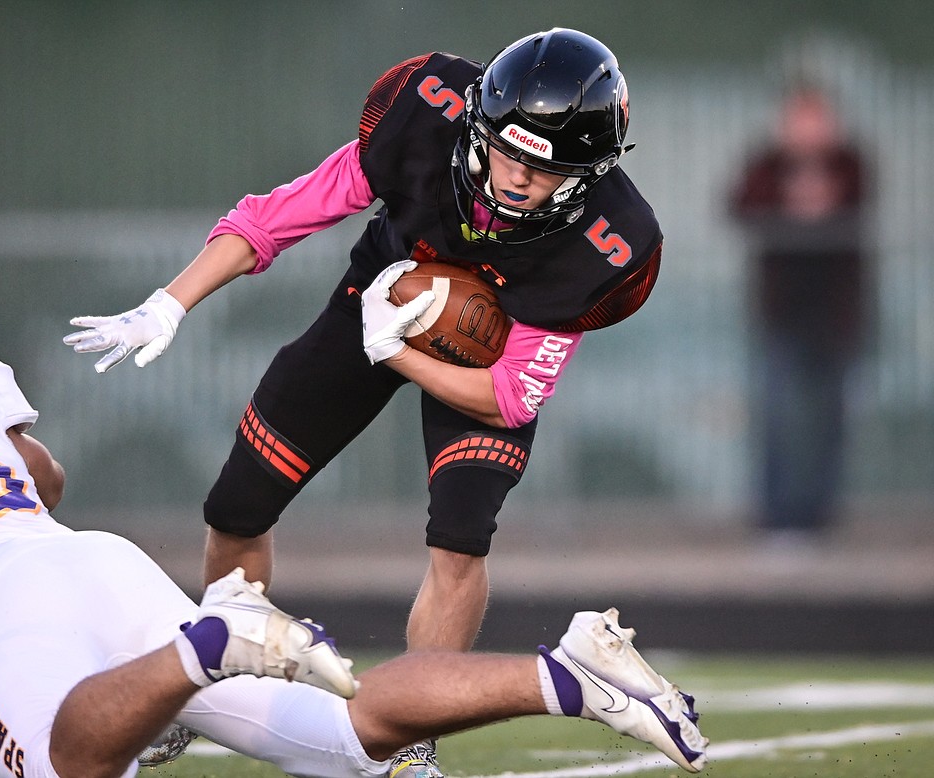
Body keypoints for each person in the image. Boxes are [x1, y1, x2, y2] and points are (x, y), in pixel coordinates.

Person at [0, 286, 706, 776]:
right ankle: (568, 674)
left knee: (72, 765)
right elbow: (46, 482)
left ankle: (210, 646)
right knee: (349, 740)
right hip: (94, 563)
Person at [64, 27, 664, 776]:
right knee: (237, 505)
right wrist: (170, 303)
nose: (514, 179)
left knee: (460, 538)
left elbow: (508, 397)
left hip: (483, 352)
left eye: (544, 170)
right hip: (374, 294)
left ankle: (412, 740)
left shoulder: (613, 245)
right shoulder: (424, 113)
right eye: (506, 152)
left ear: (589, 173)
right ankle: (199, 686)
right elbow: (276, 216)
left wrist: (400, 352)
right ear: (478, 121)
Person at [729, 82, 872, 542]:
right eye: (800, 120)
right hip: (781, 313)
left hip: (836, 316)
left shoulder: (850, 162)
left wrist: (819, 206)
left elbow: (858, 199)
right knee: (778, 415)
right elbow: (739, 205)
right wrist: (791, 205)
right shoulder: (767, 165)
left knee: (830, 417)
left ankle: (819, 517)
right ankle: (779, 518)